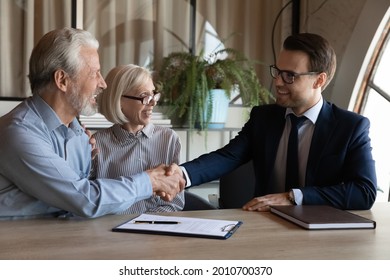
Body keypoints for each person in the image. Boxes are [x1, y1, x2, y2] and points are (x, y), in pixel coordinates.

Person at [169, 32, 377, 211]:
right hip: (266, 226)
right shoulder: (263, 118)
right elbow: (227, 157)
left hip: (322, 234)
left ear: (319, 80)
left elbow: (364, 192)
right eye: (277, 71)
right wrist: (180, 175)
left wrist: (293, 197)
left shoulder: (350, 127)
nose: (277, 81)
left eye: (289, 76)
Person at [0, 27, 184, 219]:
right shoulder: (18, 133)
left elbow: (79, 197)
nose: (103, 84)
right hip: (19, 245)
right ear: (62, 80)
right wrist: (150, 181)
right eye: (94, 73)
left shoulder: (78, 132)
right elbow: (87, 199)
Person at [90, 64, 184, 213]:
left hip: (156, 230)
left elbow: (175, 202)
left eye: (154, 94)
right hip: (111, 232)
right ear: (119, 100)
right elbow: (91, 201)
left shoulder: (169, 139)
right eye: (145, 97)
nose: (153, 102)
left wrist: (145, 225)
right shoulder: (97, 144)